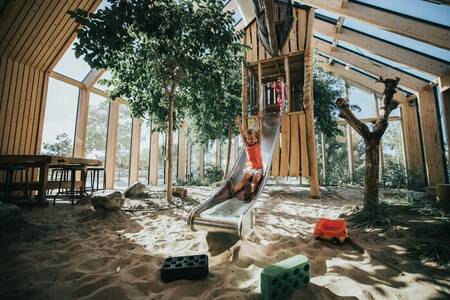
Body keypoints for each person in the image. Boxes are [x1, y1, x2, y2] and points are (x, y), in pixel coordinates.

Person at [226, 111, 264, 201]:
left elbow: (260, 131)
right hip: (249, 169)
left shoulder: (258, 144)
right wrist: (239, 123)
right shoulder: (246, 146)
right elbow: (242, 133)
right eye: (248, 138)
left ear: (255, 138)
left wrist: (259, 120)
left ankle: (249, 191)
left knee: (254, 181)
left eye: (252, 138)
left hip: (258, 169)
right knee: (242, 181)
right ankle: (233, 190)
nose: (250, 140)